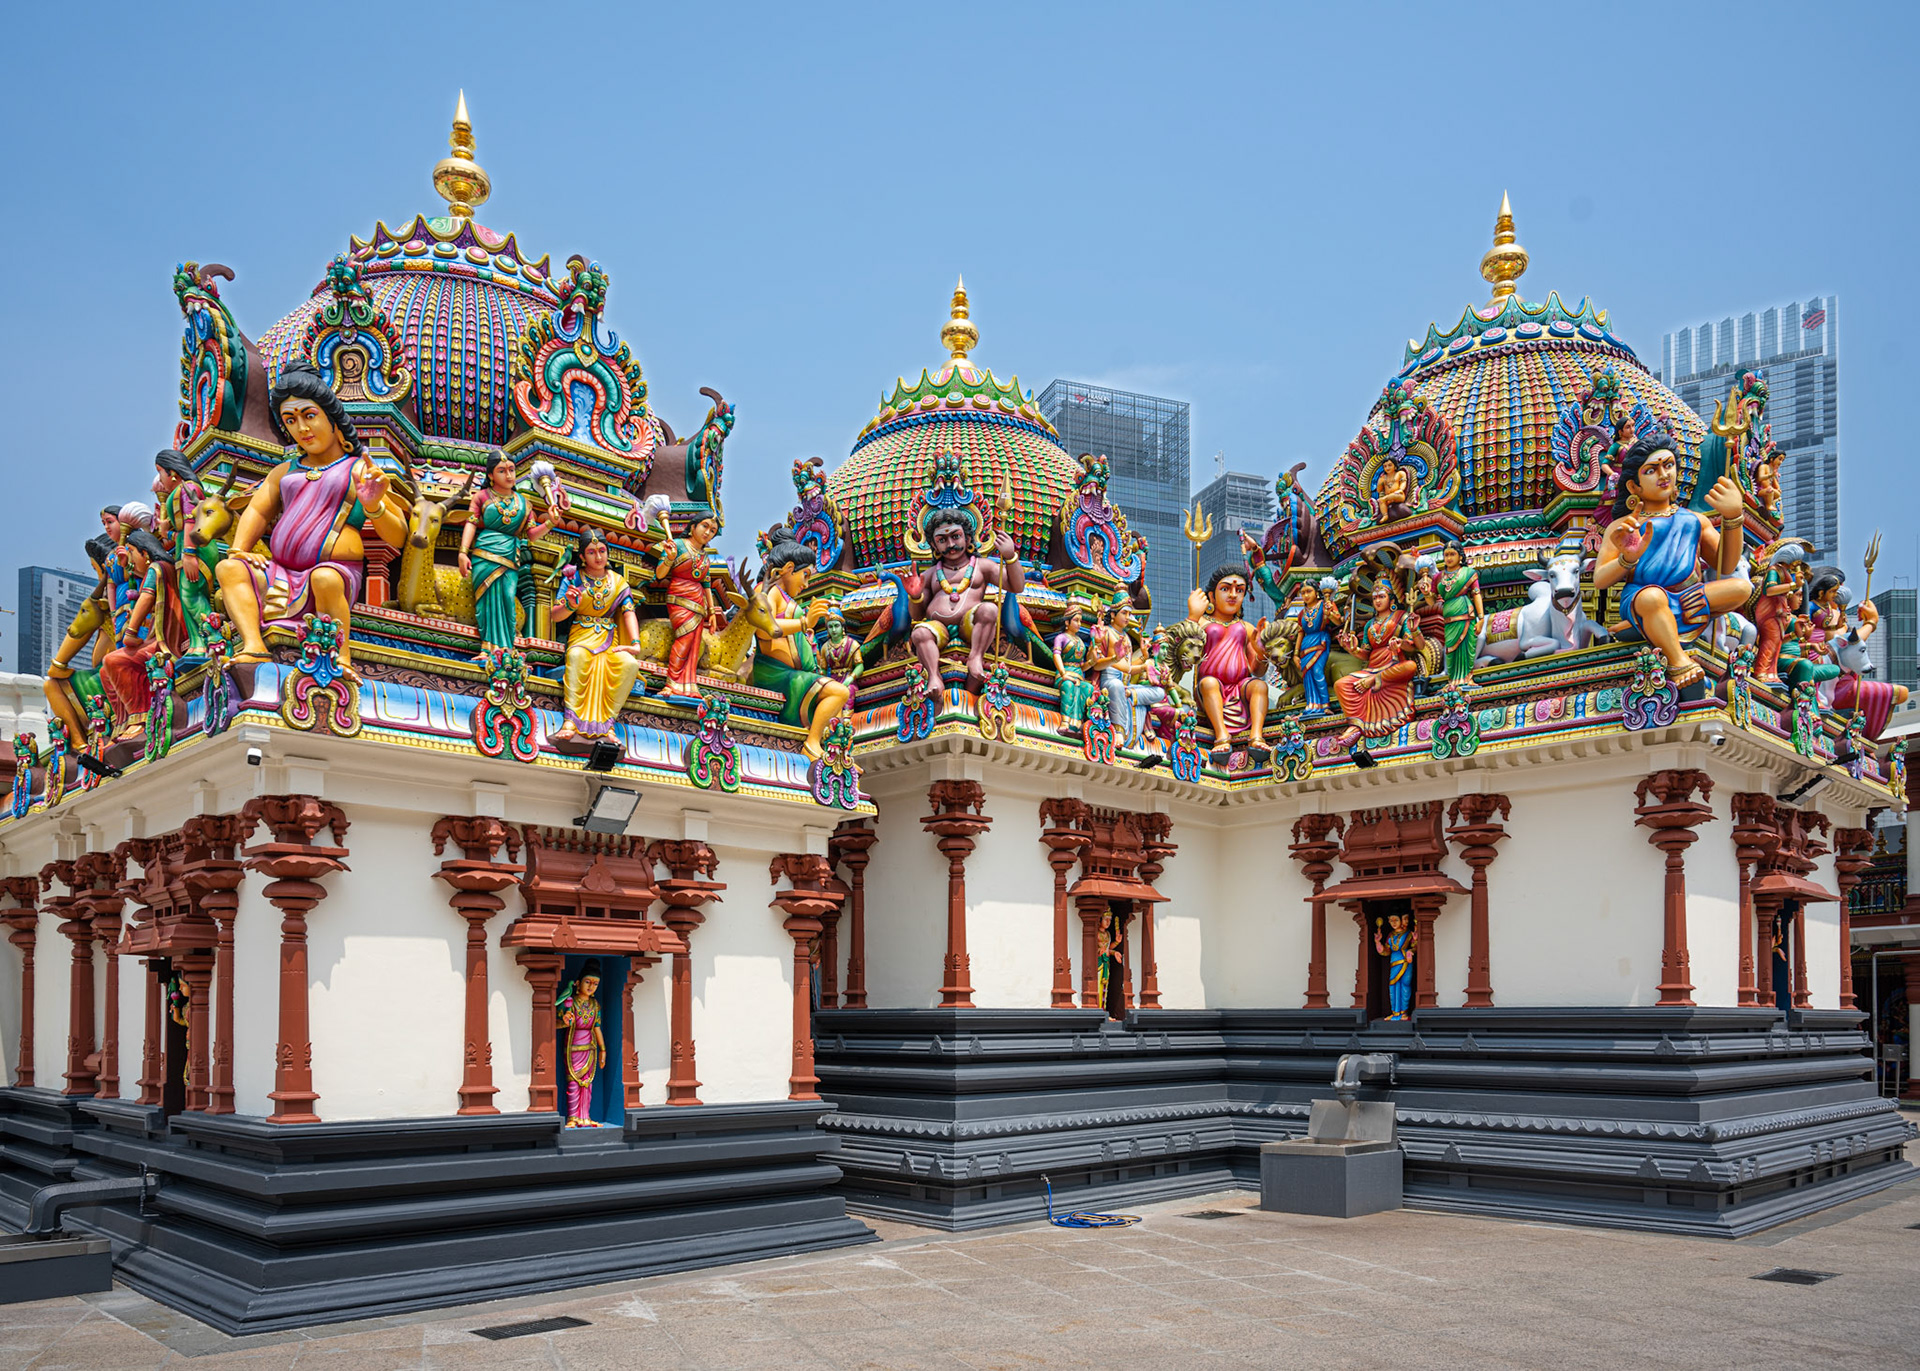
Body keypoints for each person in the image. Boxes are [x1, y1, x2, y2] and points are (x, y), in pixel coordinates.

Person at [215, 363, 409, 675]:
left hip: (335, 573)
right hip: (280, 573)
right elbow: (258, 510)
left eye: (309, 415)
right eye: (290, 420)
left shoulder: (357, 469)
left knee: (325, 579)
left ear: (332, 418)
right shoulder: (285, 472)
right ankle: (254, 645)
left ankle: (341, 658)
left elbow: (399, 536)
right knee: (229, 568)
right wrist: (240, 549)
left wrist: (374, 506)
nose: (302, 428)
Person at [1592, 434, 1748, 689]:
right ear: (1634, 487)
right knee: (1653, 598)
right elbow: (1600, 580)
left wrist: (1733, 518)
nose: (1663, 474)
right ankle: (1678, 662)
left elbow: (1726, 565)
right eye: (1651, 470)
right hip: (1643, 596)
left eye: (1669, 465)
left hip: (1689, 595)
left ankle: (1655, 625)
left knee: (1741, 588)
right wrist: (1627, 559)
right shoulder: (1625, 526)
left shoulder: (1696, 520)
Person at [741, 537, 851, 760]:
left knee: (837, 712)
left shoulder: (784, 597)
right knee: (839, 692)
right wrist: (804, 623)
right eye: (805, 575)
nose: (806, 584)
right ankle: (811, 744)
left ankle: (836, 754)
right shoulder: (769, 590)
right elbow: (764, 629)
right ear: (789, 569)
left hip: (792, 674)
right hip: (774, 673)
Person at [906, 507, 1025, 691]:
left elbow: (1016, 587)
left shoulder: (982, 566)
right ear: (934, 545)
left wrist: (1010, 556)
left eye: (956, 536)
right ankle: (934, 676)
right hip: (938, 627)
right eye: (942, 540)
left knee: (989, 609)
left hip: (969, 625)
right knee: (920, 633)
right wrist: (914, 595)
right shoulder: (930, 574)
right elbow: (917, 614)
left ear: (968, 538)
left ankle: (975, 657)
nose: (950, 544)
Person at [551, 532, 645, 742]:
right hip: (582, 636)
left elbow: (629, 612)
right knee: (577, 657)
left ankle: (608, 723)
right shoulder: (574, 578)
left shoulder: (618, 582)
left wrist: (635, 644)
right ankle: (571, 720)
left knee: (629, 665)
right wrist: (570, 605)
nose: (598, 557)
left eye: (602, 551)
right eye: (592, 552)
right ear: (583, 556)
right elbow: (555, 615)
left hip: (610, 639)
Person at [458, 454, 555, 654]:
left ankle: (506, 648)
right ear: (491, 475)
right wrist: (462, 552)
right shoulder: (482, 496)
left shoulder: (524, 503)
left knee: (507, 598)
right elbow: (471, 523)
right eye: (502, 471)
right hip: (484, 554)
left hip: (511, 556)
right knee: (486, 601)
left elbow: (531, 535)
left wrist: (550, 523)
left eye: (511, 469)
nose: (509, 475)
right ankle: (487, 647)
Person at [1187, 563, 1269, 767]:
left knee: (1260, 686)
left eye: (1239, 590)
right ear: (1212, 597)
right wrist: (1193, 616)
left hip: (1239, 688)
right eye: (1225, 589)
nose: (1233, 595)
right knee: (1209, 684)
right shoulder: (1202, 623)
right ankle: (1221, 736)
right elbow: (1184, 651)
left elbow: (1257, 670)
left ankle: (1256, 737)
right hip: (1209, 688)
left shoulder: (1246, 627)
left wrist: (1261, 649)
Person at [1333, 580, 1423, 765]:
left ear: (1391, 600)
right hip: (1371, 667)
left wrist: (1402, 642)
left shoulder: (1402, 617)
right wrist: (1351, 649)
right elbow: (1364, 653)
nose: (1377, 601)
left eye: (1381, 596)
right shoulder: (1370, 625)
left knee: (1410, 667)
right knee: (1341, 684)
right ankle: (1356, 726)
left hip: (1393, 665)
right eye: (1374, 598)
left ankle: (1375, 681)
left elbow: (1414, 646)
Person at [646, 511, 726, 704]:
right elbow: (659, 573)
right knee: (684, 640)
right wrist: (669, 557)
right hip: (679, 597)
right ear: (693, 527)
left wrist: (712, 613)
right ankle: (672, 682)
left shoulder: (705, 557)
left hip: (699, 602)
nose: (708, 532)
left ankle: (689, 685)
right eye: (705, 526)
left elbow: (706, 583)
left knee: (694, 644)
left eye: (713, 530)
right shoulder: (679, 546)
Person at [1425, 539, 1484, 685]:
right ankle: (1453, 681)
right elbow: (1432, 602)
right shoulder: (1438, 577)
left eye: (1452, 554)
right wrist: (1426, 594)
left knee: (1465, 646)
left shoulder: (1468, 573)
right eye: (1446, 555)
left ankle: (1467, 679)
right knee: (1450, 649)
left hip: (1465, 614)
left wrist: (1481, 618)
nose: (1449, 558)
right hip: (1449, 618)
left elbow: (1476, 594)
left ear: (1461, 557)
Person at [557, 960, 607, 1127]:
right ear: (578, 983)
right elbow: (556, 1024)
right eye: (588, 982)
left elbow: (597, 1027)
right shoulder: (570, 1002)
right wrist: (564, 1021)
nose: (591, 986)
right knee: (573, 1081)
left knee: (588, 1083)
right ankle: (573, 1117)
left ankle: (585, 1116)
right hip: (573, 1045)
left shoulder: (595, 1005)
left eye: (595, 984)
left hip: (590, 1047)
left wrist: (603, 1049)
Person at [1051, 599, 1094, 737]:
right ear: (1067, 622)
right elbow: (1056, 655)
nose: (1079, 624)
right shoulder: (1061, 638)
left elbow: (1082, 665)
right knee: (1069, 685)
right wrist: (1063, 674)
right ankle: (1065, 722)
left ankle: (1078, 723)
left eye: (1080, 621)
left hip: (1078, 675)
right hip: (1065, 675)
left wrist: (1092, 661)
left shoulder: (1080, 642)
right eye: (1076, 620)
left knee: (1088, 689)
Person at [1376, 912, 1415, 1020]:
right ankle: (1395, 1012)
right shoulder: (1390, 935)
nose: (1393, 923)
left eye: (1396, 920)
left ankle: (1404, 1012)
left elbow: (1415, 946)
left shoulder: (1408, 934)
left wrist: (1411, 951)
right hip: (1394, 963)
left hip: (1405, 962)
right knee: (1393, 987)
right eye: (1391, 920)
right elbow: (1386, 951)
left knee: (1405, 985)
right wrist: (1378, 942)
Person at [1371, 458, 1414, 525]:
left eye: (1390, 465)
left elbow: (1403, 482)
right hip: (1388, 499)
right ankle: (1385, 515)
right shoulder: (1384, 478)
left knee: (1389, 497)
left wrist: (1400, 490)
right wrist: (1380, 481)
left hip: (1398, 495)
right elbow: (1379, 490)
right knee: (1381, 500)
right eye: (1385, 466)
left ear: (1395, 465)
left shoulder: (1400, 473)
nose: (1387, 468)